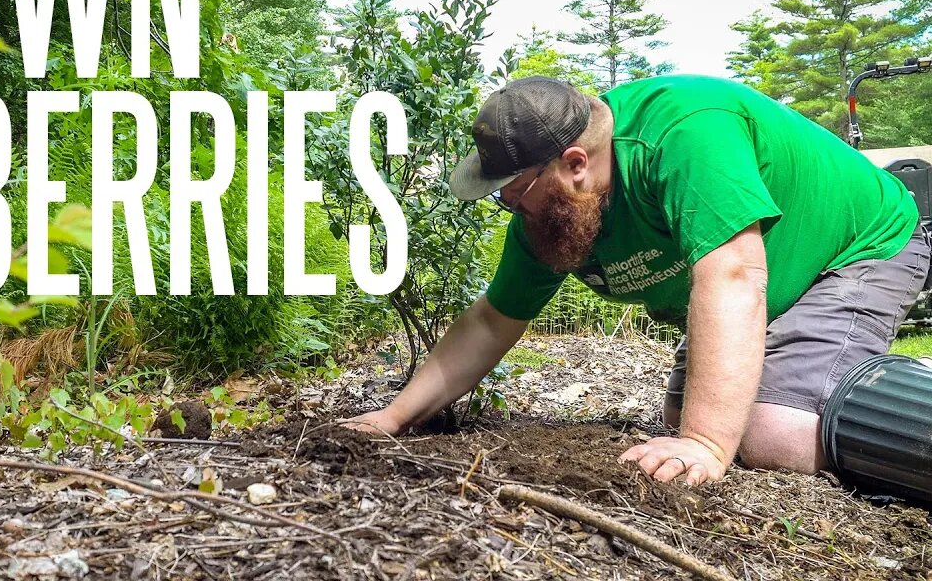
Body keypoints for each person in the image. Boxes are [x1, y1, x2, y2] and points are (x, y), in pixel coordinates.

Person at [344, 75, 931, 485]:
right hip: (763, 285)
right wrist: (393, 418)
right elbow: (493, 320)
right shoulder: (549, 213)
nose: (508, 206)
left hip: (858, 246)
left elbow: (732, 272)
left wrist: (707, 442)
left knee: (770, 432)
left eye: (514, 190)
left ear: (575, 163)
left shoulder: (685, 134)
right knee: (688, 421)